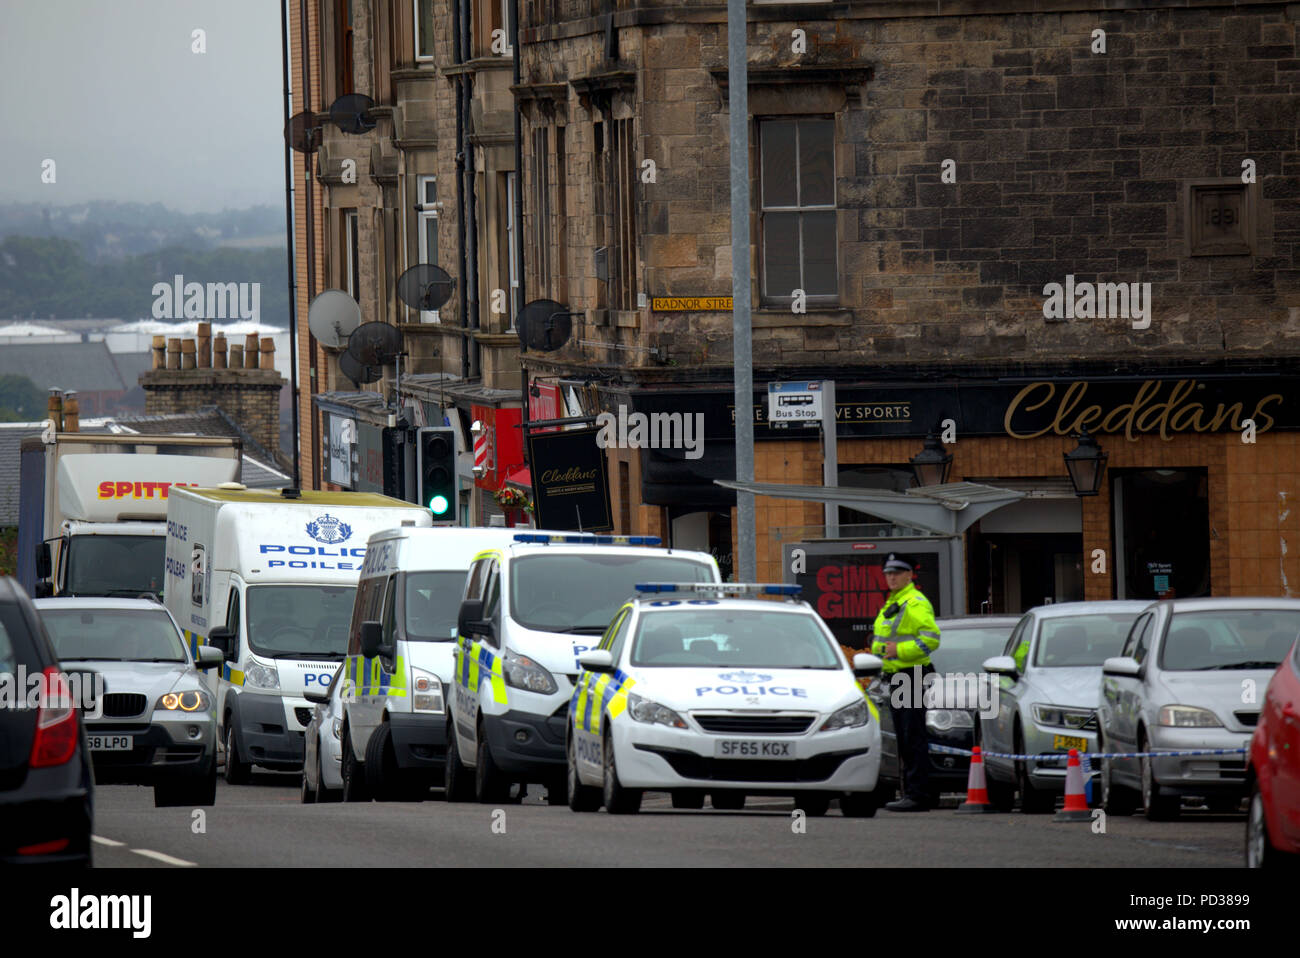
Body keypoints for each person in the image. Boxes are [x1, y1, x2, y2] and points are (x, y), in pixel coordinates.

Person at [870, 553, 941, 812]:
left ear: (910, 575)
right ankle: (915, 792)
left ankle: (918, 795)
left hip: (911, 675)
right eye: (888, 573)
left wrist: (899, 651)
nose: (891, 577)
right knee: (905, 737)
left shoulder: (914, 602)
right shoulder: (895, 601)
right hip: (898, 677)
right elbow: (882, 640)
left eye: (897, 572)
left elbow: (931, 639)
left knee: (912, 737)